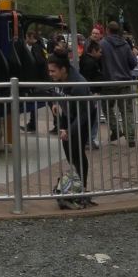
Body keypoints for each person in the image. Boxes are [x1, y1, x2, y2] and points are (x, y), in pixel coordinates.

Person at [48, 48, 96, 204]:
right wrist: (56, 103)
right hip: (68, 112)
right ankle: (75, 182)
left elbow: (83, 114)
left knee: (77, 150)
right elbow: (55, 90)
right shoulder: (58, 78)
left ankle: (81, 187)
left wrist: (69, 131)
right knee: (68, 149)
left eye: (53, 71)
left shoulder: (79, 84)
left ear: (63, 69)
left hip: (84, 114)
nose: (51, 74)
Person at [99, 20, 137, 146]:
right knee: (127, 110)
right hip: (125, 81)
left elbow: (98, 61)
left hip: (109, 82)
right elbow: (133, 62)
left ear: (107, 31)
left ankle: (115, 129)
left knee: (106, 106)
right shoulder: (125, 44)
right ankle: (130, 137)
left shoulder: (103, 44)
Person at [22, 29, 49, 133]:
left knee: (34, 100)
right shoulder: (42, 46)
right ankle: (57, 122)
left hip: (40, 78)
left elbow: (39, 62)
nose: (26, 40)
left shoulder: (35, 47)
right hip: (46, 77)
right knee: (51, 102)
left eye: (27, 38)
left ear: (32, 37)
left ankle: (32, 124)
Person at [79, 39, 103, 148]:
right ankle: (89, 138)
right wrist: (93, 91)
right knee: (94, 117)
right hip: (93, 93)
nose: (100, 54)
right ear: (94, 51)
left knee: (90, 116)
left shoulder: (86, 60)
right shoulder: (89, 62)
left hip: (92, 91)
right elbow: (87, 79)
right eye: (99, 52)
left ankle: (87, 138)